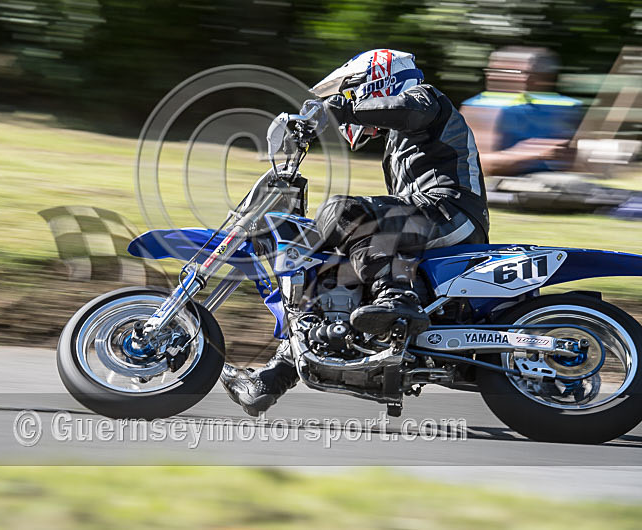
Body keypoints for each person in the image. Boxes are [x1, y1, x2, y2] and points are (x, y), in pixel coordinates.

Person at [221, 49, 490, 416]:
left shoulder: (426, 99)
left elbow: (407, 110)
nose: (352, 99)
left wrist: (336, 109)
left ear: (380, 80)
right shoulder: (396, 143)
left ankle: (396, 297)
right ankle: (271, 380)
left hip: (451, 213)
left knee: (342, 210)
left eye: (355, 91)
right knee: (324, 273)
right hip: (424, 220)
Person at [459, 46, 582, 178]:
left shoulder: (561, 107)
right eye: (514, 72)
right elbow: (476, 164)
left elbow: (578, 164)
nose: (527, 80)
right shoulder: (481, 107)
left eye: (530, 73)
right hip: (494, 187)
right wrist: (533, 152)